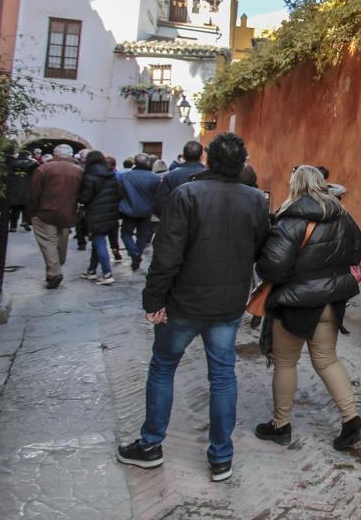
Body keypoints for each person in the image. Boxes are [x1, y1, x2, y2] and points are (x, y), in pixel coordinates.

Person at [116, 133, 270, 482]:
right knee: (222, 375)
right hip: (227, 304)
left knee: (162, 367)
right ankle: (221, 457)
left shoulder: (187, 194)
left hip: (183, 302)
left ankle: (151, 444)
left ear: (209, 160)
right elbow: (260, 249)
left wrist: (153, 300)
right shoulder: (255, 200)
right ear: (242, 163)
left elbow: (166, 254)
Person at [254, 166, 361, 451]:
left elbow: (272, 267)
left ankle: (280, 425)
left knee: (285, 363)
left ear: (296, 186)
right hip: (330, 304)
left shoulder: (289, 220)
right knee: (327, 360)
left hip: (294, 305)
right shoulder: (343, 217)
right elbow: (358, 249)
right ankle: (352, 421)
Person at [25, 145, 84, 289]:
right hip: (68, 212)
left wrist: (31, 212)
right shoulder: (79, 171)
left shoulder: (44, 169)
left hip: (45, 212)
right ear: (71, 155)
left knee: (48, 243)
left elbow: (34, 192)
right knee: (61, 243)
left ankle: (54, 272)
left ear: (54, 154)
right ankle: (55, 267)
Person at [78, 150, 121, 285]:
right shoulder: (112, 175)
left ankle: (107, 273)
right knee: (97, 241)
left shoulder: (89, 176)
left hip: (96, 212)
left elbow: (85, 197)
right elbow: (120, 193)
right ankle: (91, 270)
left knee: (99, 240)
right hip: (111, 212)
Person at [118, 153, 161, 270]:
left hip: (129, 210)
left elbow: (119, 193)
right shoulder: (154, 178)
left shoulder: (125, 176)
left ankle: (134, 252)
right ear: (148, 163)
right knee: (142, 235)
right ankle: (137, 253)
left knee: (126, 233)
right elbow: (157, 196)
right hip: (146, 210)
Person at [155, 141, 206, 217]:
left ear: (183, 156)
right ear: (201, 157)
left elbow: (160, 203)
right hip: (202, 222)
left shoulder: (170, 175)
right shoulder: (209, 174)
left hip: (176, 220)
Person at [6, 150, 38, 231]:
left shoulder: (13, 163)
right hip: (28, 188)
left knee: (14, 209)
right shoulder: (32, 163)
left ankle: (13, 226)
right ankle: (25, 221)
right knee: (26, 207)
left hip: (15, 188)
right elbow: (38, 168)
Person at [105, 156, 123, 262]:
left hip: (100, 211)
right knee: (113, 233)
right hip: (113, 209)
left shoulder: (97, 176)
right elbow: (121, 194)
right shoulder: (118, 176)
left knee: (99, 238)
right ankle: (115, 248)